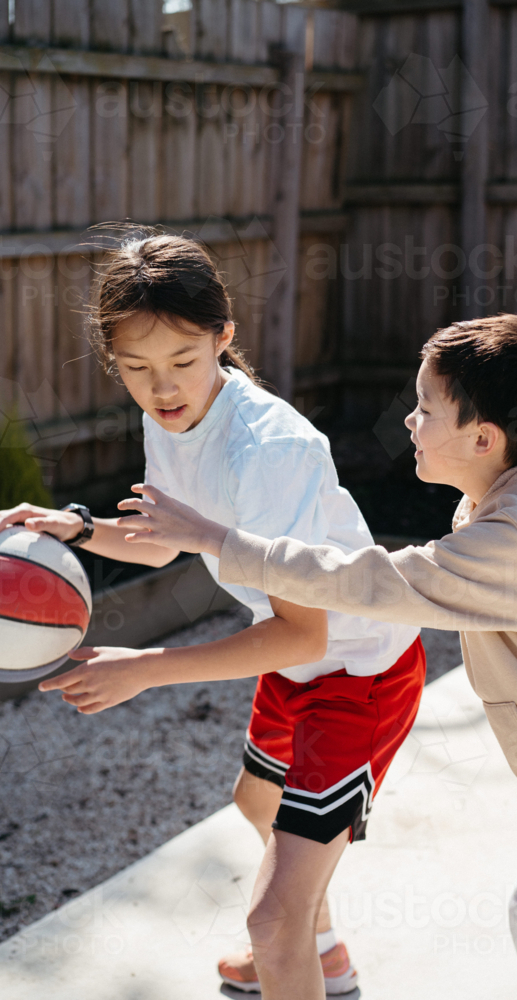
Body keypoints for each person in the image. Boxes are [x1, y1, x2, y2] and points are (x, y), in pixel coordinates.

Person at [107, 313, 517, 1000]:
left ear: (484, 438)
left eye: (425, 409)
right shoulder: (515, 488)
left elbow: (372, 582)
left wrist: (223, 540)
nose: (409, 422)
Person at [1, 231, 424, 1000]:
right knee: (254, 801)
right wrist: (82, 528)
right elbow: (165, 545)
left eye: (181, 363)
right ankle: (322, 951)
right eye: (136, 369)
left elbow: (306, 629)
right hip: (296, 660)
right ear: (113, 360)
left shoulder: (267, 451)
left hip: (359, 671)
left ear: (224, 335)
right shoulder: (171, 415)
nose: (161, 388)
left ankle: (303, 949)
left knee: (270, 922)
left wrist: (145, 669)